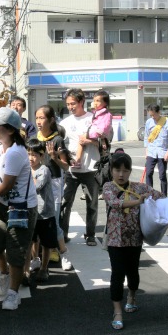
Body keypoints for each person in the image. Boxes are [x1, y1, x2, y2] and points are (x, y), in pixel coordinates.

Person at [0, 107, 38, 311]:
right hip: (4, 205)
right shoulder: (1, 149)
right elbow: (0, 178)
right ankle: (4, 274)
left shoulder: (15, 152)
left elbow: (6, 185)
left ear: (11, 130)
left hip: (21, 208)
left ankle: (13, 293)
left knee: (16, 253)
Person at [102, 149, 163, 330]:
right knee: (117, 274)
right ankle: (117, 311)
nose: (121, 174)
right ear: (111, 170)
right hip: (115, 239)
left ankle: (132, 296)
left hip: (135, 238)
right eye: (117, 170)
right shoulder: (108, 187)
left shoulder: (139, 187)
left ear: (130, 171)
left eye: (125, 170)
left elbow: (160, 196)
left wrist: (163, 201)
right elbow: (115, 203)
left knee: (133, 272)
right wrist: (139, 201)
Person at [59, 88, 101, 246]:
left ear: (82, 101)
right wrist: (66, 159)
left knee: (92, 203)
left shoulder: (94, 119)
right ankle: (63, 234)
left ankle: (90, 234)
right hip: (71, 170)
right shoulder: (64, 123)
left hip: (91, 169)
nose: (70, 107)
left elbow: (105, 142)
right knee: (65, 203)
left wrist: (89, 141)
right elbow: (60, 145)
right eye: (68, 104)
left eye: (73, 103)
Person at [36, 105, 73, 270]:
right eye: (37, 118)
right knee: (38, 220)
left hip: (54, 183)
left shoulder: (57, 140)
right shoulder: (35, 138)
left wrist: (54, 157)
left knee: (54, 221)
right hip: (37, 182)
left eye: (42, 118)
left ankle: (63, 253)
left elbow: (66, 167)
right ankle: (37, 257)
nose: (38, 121)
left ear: (51, 120)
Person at [26, 139, 59, 283]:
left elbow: (36, 186)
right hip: (31, 212)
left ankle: (44, 268)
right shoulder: (26, 169)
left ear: (41, 156)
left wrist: (26, 177)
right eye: (28, 154)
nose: (30, 158)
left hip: (45, 213)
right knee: (32, 240)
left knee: (46, 243)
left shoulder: (44, 170)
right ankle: (33, 262)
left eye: (34, 155)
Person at [74, 90, 112, 166]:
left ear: (105, 103)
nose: (95, 103)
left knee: (81, 139)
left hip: (96, 132)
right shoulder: (99, 112)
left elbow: (105, 127)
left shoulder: (106, 114)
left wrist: (93, 133)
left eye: (98, 101)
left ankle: (77, 161)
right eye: (94, 100)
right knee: (84, 141)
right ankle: (78, 161)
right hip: (97, 133)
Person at [143, 104, 168, 197]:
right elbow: (146, 137)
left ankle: (164, 196)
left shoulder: (167, 121)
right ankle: (150, 195)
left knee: (162, 175)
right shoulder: (148, 122)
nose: (152, 117)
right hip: (151, 151)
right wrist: (146, 151)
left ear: (159, 112)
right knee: (148, 173)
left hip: (162, 151)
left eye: (154, 115)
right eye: (151, 115)